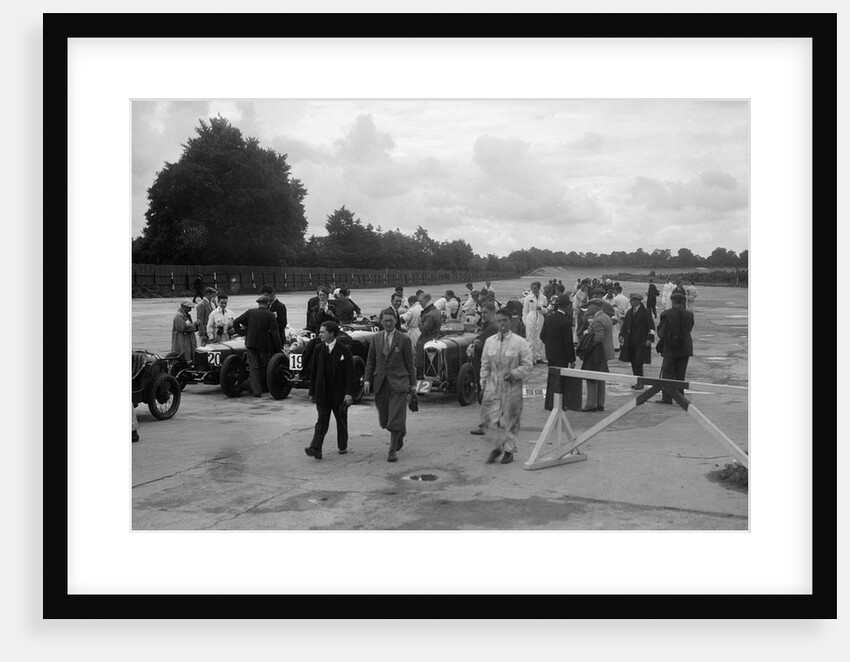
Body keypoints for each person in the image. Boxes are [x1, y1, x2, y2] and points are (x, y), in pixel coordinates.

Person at [479, 308, 534, 464]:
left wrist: (514, 374)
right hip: (493, 384)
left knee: (511, 418)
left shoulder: (520, 343)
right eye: (499, 321)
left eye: (505, 321)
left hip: (512, 386)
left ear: (511, 321)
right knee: (490, 419)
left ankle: (509, 450)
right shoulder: (490, 342)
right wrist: (482, 384)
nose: (502, 324)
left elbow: (528, 365)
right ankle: (498, 446)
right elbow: (485, 365)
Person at [363, 308, 417, 462]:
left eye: (391, 321)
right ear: (381, 321)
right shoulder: (376, 338)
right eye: (385, 320)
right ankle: (400, 430)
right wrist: (367, 380)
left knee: (394, 418)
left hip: (399, 383)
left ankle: (392, 450)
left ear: (395, 321)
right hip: (381, 383)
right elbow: (370, 361)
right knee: (384, 420)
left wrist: (413, 386)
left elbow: (410, 364)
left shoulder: (404, 339)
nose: (388, 323)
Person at [304, 321, 355, 460]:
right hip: (323, 392)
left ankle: (342, 445)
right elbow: (314, 372)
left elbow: (350, 374)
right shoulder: (318, 349)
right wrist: (312, 392)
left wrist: (348, 393)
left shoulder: (344, 350)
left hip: (339, 394)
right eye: (320, 332)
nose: (320, 334)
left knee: (341, 420)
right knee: (322, 421)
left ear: (331, 333)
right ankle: (316, 448)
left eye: (322, 332)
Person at [233, 295, 282, 397]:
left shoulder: (250, 312)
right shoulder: (270, 315)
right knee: (264, 367)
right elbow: (275, 333)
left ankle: (253, 389)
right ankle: (253, 388)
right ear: (268, 304)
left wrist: (243, 332)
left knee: (254, 368)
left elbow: (236, 322)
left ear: (259, 304)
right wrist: (279, 348)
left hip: (250, 344)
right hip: (264, 345)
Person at [656, 291, 695, 404]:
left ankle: (667, 397)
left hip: (670, 348)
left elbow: (661, 332)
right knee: (680, 374)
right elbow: (689, 329)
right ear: (683, 302)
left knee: (667, 374)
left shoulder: (666, 314)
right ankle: (679, 398)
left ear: (673, 302)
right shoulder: (689, 315)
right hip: (685, 347)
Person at [540, 293, 576, 411]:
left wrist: (550, 346)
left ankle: (549, 403)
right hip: (562, 356)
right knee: (561, 380)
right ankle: (558, 404)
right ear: (566, 306)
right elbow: (568, 343)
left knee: (551, 379)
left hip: (551, 354)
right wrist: (572, 359)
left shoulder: (549, 318)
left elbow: (542, 336)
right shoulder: (565, 322)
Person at [468, 302, 500, 435]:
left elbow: (485, 346)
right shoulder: (491, 326)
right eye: (481, 313)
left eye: (485, 312)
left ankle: (487, 425)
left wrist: (475, 343)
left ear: (493, 312)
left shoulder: (492, 327)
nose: (483, 315)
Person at [579, 297, 615, 412]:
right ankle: (600, 403)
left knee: (591, 378)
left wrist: (587, 345)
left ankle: (591, 404)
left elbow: (598, 338)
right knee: (601, 379)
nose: (588, 308)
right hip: (604, 352)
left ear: (596, 306)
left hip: (597, 353)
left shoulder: (598, 319)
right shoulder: (605, 317)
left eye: (590, 306)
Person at [617, 293, 655, 389]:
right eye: (631, 300)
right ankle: (636, 380)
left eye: (633, 300)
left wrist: (650, 339)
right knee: (633, 362)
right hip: (631, 341)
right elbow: (625, 325)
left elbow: (651, 327)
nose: (631, 301)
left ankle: (640, 381)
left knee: (639, 362)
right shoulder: (630, 312)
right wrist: (621, 335)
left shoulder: (646, 312)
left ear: (638, 301)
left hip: (641, 341)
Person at [416, 293, 442, 374]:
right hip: (435, 338)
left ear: (427, 300)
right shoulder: (436, 311)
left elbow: (424, 330)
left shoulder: (430, 315)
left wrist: (419, 321)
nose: (419, 303)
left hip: (426, 341)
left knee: (422, 363)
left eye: (421, 301)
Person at [523, 282, 549, 364]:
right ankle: (531, 357)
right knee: (530, 337)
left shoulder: (543, 298)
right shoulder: (528, 298)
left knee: (539, 337)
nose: (533, 290)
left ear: (538, 288)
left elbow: (546, 310)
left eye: (535, 288)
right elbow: (525, 310)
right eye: (532, 288)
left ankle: (539, 356)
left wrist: (541, 308)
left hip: (540, 316)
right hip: (531, 316)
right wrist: (525, 321)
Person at [171, 300, 199, 366]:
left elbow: (189, 325)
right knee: (183, 354)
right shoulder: (179, 316)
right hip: (182, 340)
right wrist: (194, 325)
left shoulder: (186, 315)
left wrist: (195, 326)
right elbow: (182, 328)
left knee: (189, 355)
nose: (190, 310)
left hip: (188, 340)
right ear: (183, 307)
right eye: (189, 308)